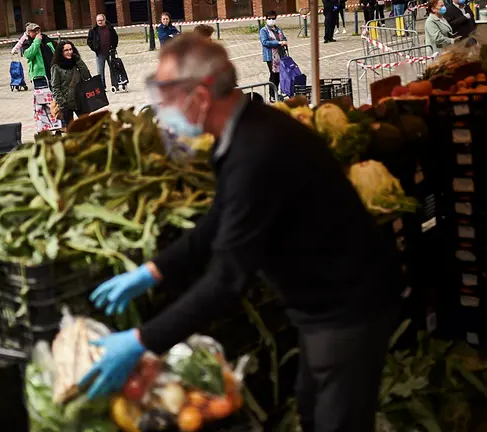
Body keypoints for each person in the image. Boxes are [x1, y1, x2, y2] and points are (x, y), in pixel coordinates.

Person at [81, 33, 401, 432]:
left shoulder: (257, 149)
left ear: (200, 95)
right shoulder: (243, 132)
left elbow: (228, 278)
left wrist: (142, 340)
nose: (161, 108)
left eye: (166, 93)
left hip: (346, 302)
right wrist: (153, 271)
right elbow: (219, 220)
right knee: (312, 409)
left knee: (336, 420)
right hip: (320, 301)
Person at [50, 40, 92, 124]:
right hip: (66, 103)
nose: (69, 52)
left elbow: (87, 76)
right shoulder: (56, 67)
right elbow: (55, 87)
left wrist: (79, 61)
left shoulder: (76, 63)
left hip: (80, 100)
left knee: (87, 126)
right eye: (66, 50)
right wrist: (62, 102)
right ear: (61, 52)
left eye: (70, 49)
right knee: (70, 131)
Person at [259, 10, 287, 103]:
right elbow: (265, 42)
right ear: (266, 19)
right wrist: (278, 43)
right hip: (271, 56)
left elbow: (284, 37)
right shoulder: (263, 30)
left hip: (280, 55)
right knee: (273, 75)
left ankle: (276, 92)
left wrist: (284, 41)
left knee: (279, 75)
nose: (271, 20)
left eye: (273, 18)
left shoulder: (278, 29)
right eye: (269, 18)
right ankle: (271, 95)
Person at [87, 14, 119, 90]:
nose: (100, 22)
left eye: (101, 20)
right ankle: (102, 87)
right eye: (98, 20)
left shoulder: (110, 28)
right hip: (100, 53)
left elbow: (115, 38)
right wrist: (95, 48)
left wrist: (113, 47)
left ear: (104, 20)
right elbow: (89, 41)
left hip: (110, 52)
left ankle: (115, 85)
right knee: (100, 71)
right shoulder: (93, 30)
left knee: (113, 69)